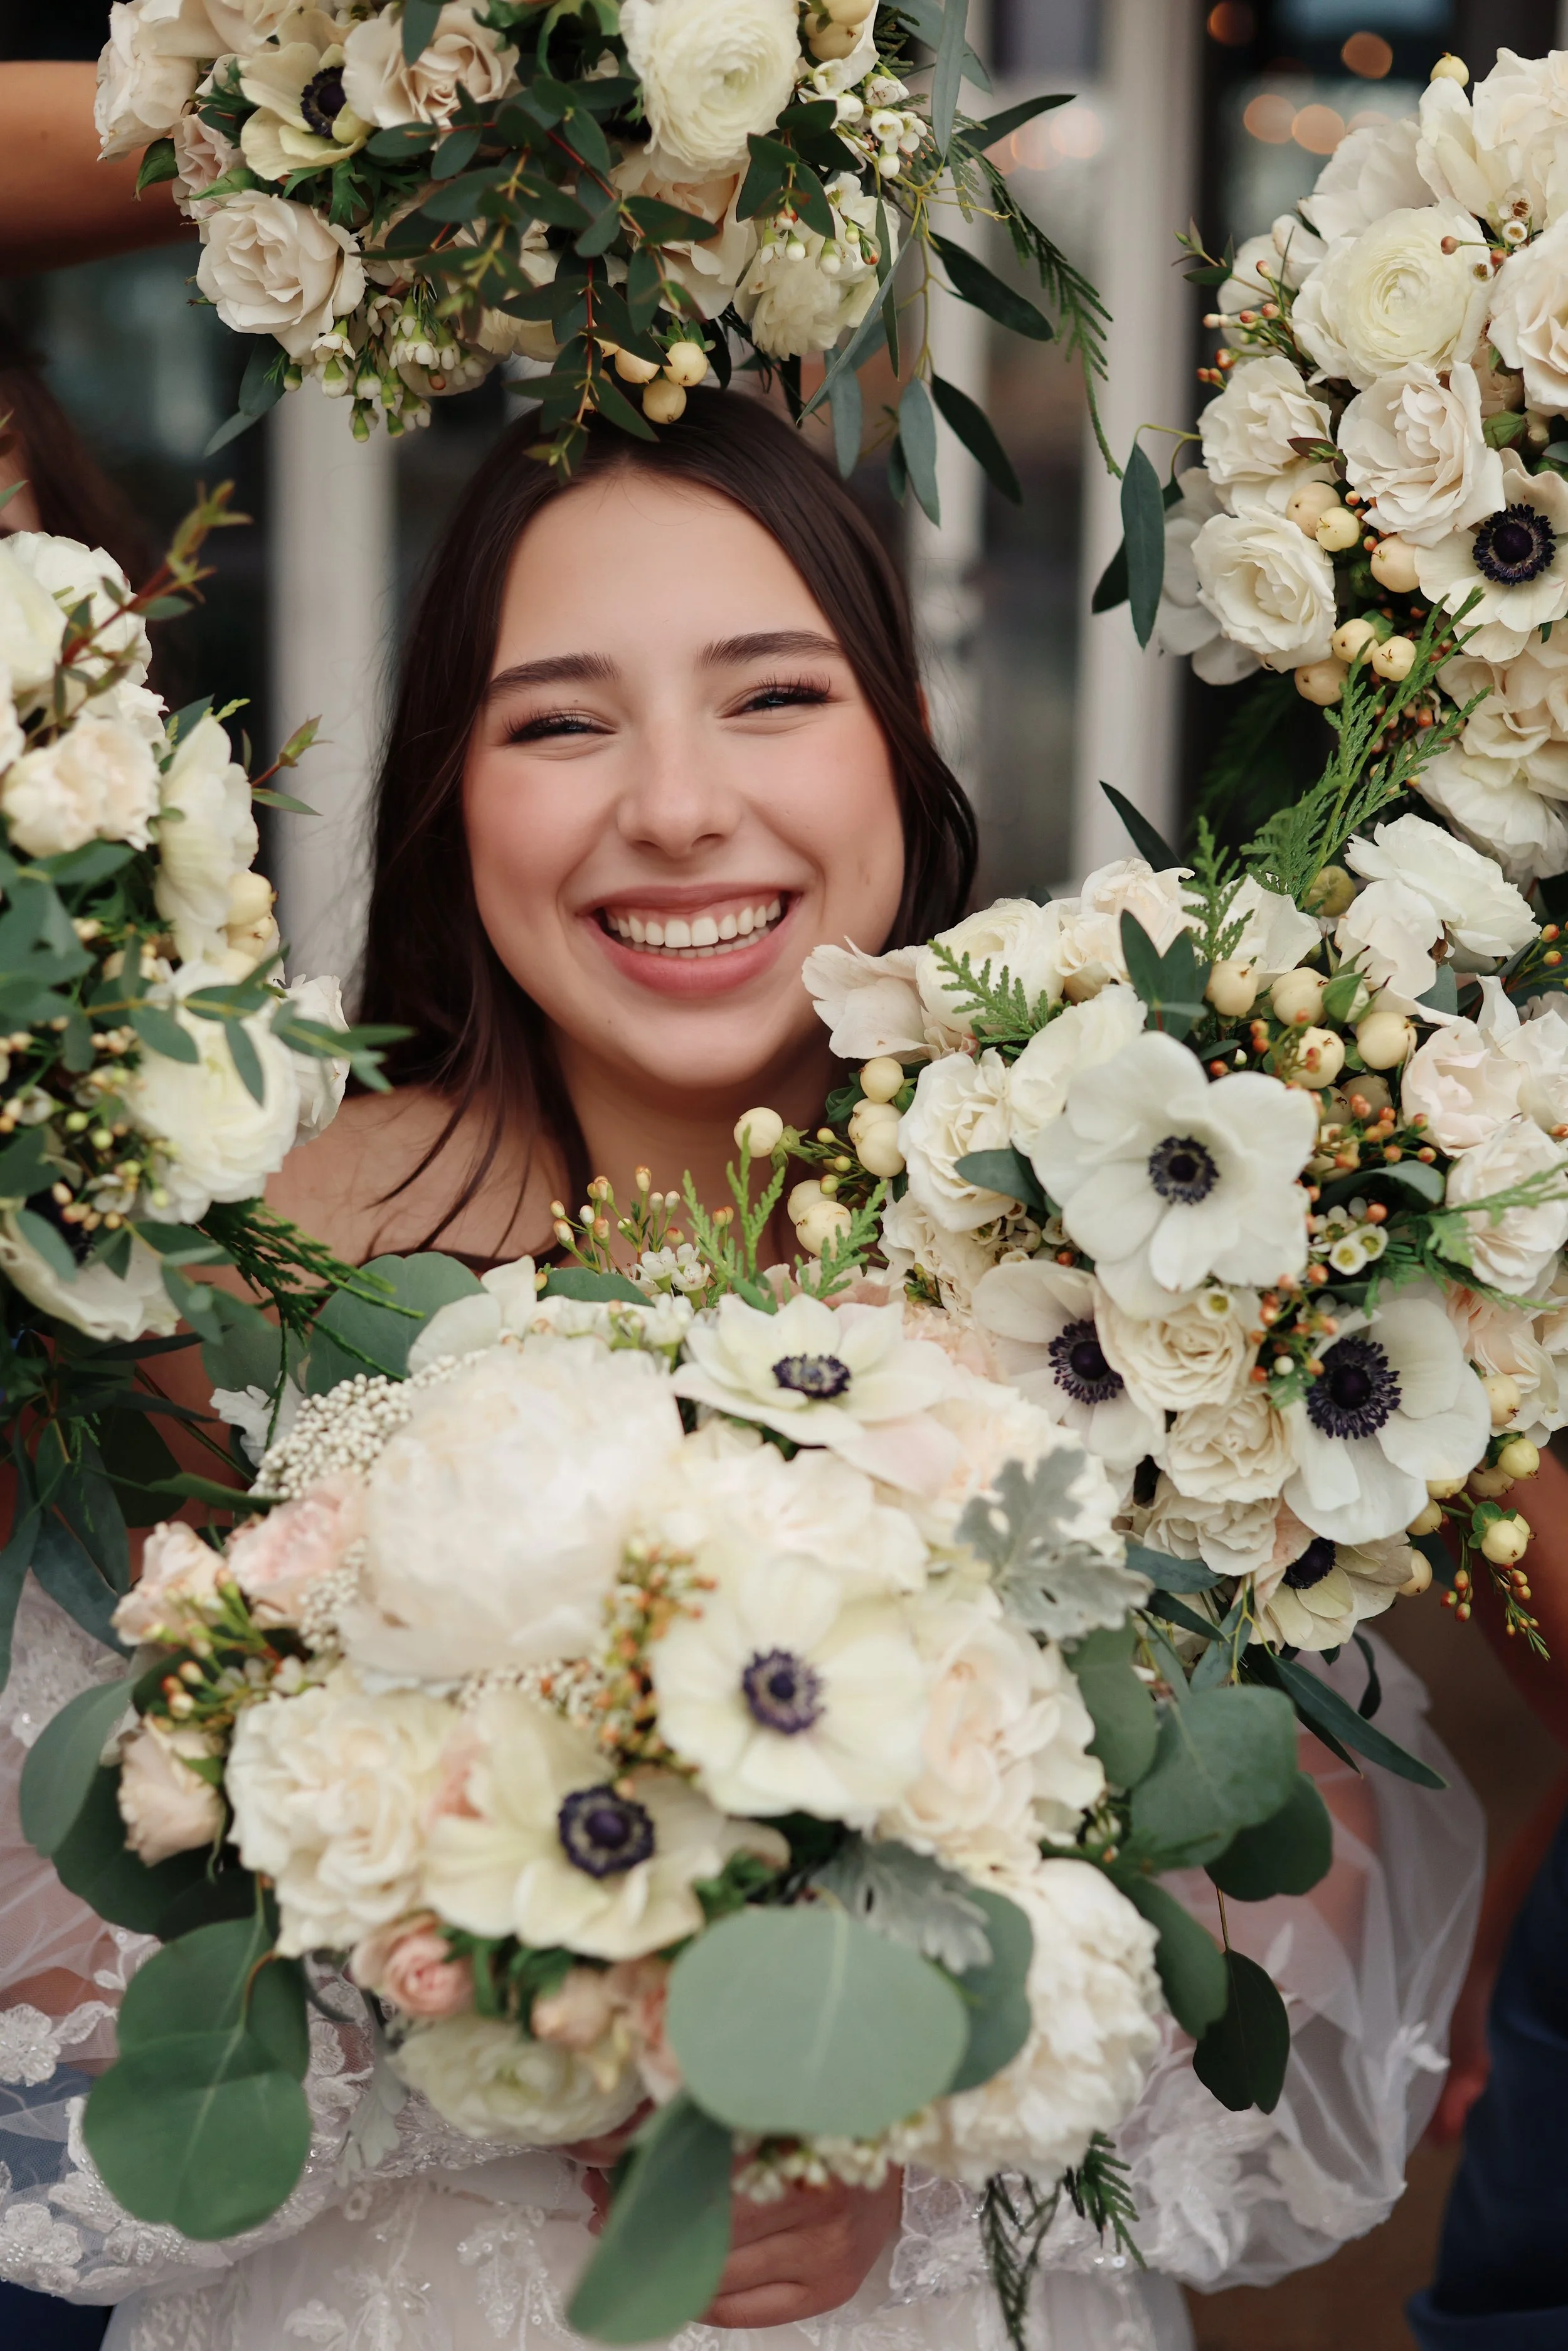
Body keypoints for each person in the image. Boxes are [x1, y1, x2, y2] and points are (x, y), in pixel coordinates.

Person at [0, 393, 1483, 2351]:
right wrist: (495, 2012)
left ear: (905, 735)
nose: (680, 805)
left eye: (772, 694)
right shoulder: (250, 1255)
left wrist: (916, 2093)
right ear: (447, 784)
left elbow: (1296, 1971)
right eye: (558, 719)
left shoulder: (1104, 1259)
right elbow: (50, 2027)